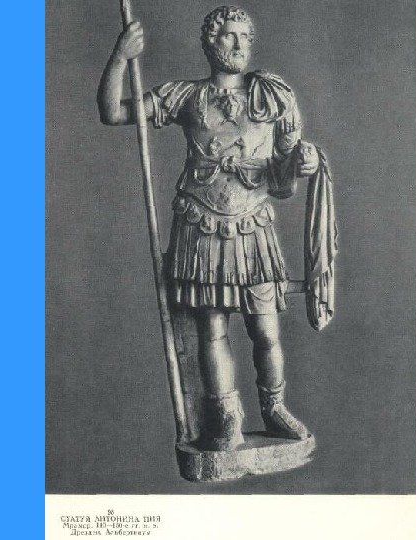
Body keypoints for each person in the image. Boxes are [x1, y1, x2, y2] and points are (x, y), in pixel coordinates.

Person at [97, 6, 320, 451]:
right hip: (201, 225)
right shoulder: (187, 96)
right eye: (229, 36)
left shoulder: (272, 96)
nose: (239, 45)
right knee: (213, 330)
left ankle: (274, 407)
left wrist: (302, 162)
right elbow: (113, 113)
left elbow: (282, 180)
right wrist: (121, 57)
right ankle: (228, 417)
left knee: (266, 330)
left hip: (252, 225)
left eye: (245, 37)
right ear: (209, 42)